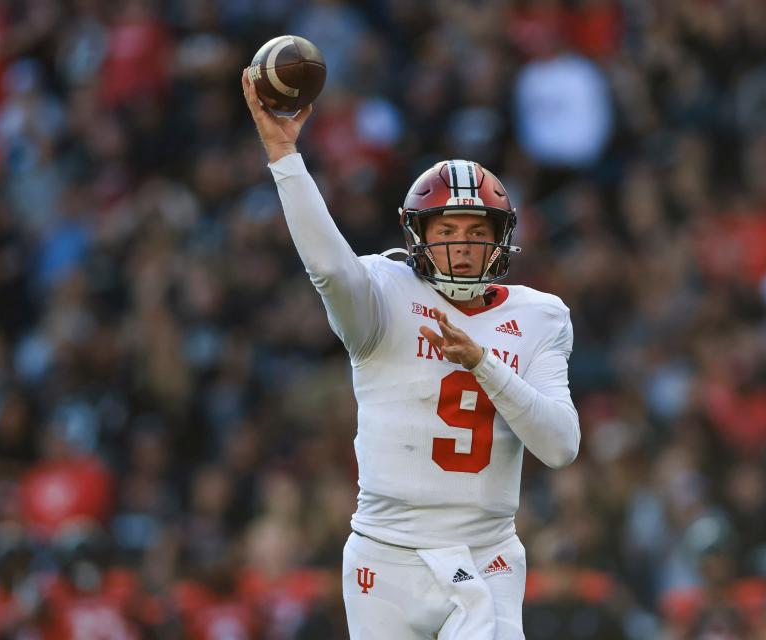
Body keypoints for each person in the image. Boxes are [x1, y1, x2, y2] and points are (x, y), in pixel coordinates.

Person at [242, 70, 580, 640]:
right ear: (417, 233)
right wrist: (284, 155)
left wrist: (483, 363)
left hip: (485, 552)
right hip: (386, 553)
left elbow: (561, 445)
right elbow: (328, 268)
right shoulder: (383, 291)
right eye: (448, 228)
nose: (464, 246)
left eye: (479, 230)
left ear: (503, 237)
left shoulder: (541, 315)